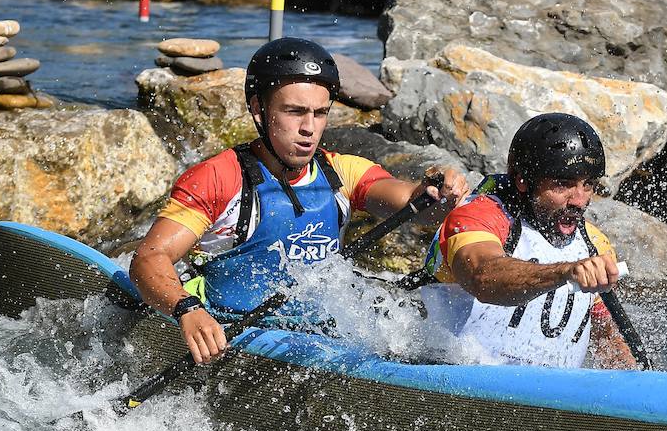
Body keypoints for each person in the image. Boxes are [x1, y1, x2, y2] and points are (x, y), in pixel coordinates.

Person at [131, 37, 467, 364]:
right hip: (235, 333)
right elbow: (150, 257)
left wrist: (438, 190)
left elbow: (416, 205)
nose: (309, 128)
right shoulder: (218, 178)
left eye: (320, 113)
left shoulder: (343, 173)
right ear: (259, 110)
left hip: (319, 338)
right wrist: (186, 308)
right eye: (294, 112)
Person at [418, 113, 637, 369]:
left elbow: (607, 339)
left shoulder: (595, 242)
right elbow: (483, 277)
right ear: (523, 179)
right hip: (450, 379)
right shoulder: (476, 216)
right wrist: (566, 272)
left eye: (588, 185)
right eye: (563, 184)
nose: (579, 200)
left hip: (542, 401)